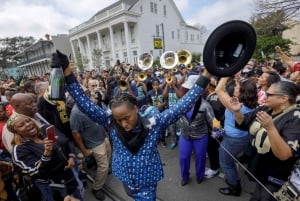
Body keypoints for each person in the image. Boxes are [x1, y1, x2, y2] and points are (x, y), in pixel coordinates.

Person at [51, 50, 212, 201]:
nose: (123, 124)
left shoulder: (154, 123)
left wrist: (207, 74)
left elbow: (184, 104)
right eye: (119, 120)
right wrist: (67, 74)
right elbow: (85, 104)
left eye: (126, 118)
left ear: (136, 108)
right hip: (125, 178)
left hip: (147, 180)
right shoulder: (110, 121)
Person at [232, 81, 300, 201]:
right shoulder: (265, 109)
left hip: (276, 176)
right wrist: (237, 111)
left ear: (283, 98)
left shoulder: (295, 118)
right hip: (259, 167)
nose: (264, 96)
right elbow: (243, 123)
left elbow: (284, 155)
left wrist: (270, 128)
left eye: (269, 95)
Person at [7, 114, 83, 201]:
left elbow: (65, 142)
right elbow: (34, 172)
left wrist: (71, 156)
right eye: (21, 125)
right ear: (16, 132)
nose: (27, 124)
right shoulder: (20, 149)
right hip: (53, 188)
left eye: (28, 121)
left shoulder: (45, 131)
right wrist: (46, 153)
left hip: (69, 179)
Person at [215, 77, 258, 196]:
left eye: (237, 87)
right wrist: (239, 80)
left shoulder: (234, 105)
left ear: (243, 92)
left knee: (225, 163)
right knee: (229, 159)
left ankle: (234, 186)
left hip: (233, 139)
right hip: (241, 138)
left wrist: (225, 74)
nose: (234, 88)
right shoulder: (250, 104)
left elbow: (218, 90)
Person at [177, 74, 215, 186]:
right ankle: (184, 177)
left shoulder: (205, 105)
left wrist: (217, 130)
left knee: (200, 157)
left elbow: (213, 121)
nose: (189, 92)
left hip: (200, 137)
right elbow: (173, 115)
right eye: (187, 89)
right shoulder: (182, 102)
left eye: (191, 89)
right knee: (183, 157)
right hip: (185, 136)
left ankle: (200, 175)